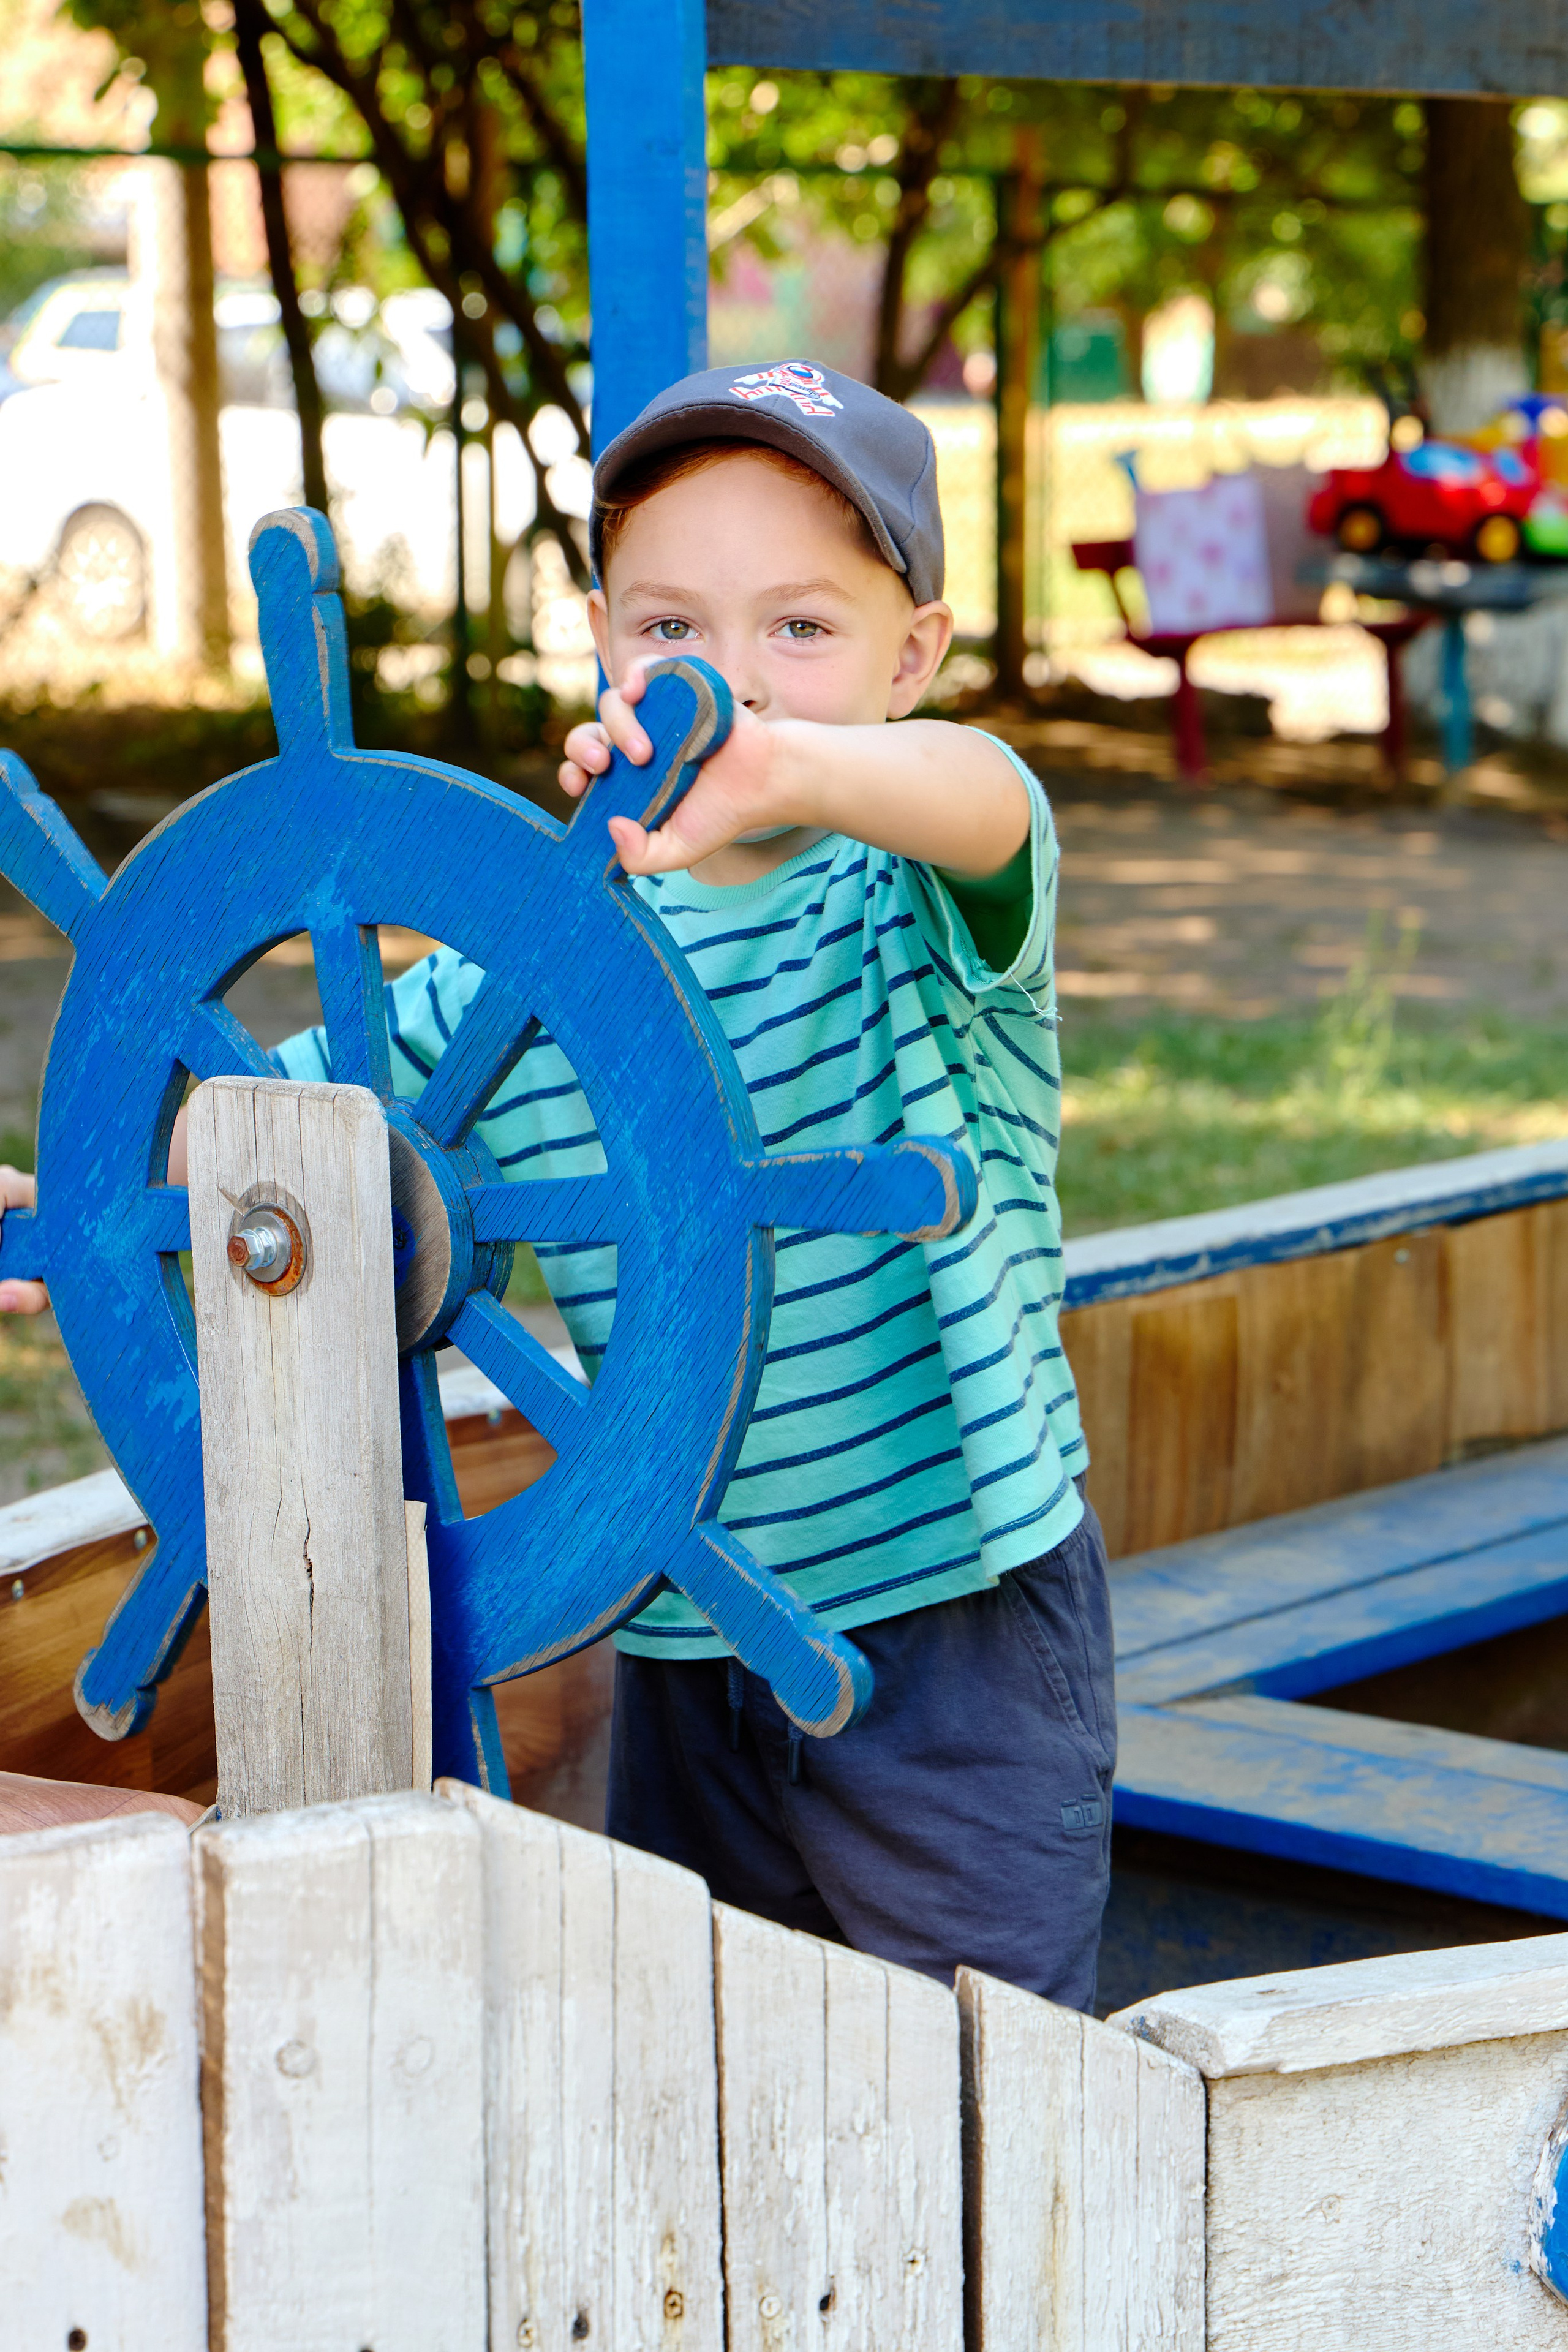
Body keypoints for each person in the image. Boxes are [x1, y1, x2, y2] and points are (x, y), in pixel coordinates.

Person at [0, 358, 1114, 2008]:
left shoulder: (917, 918)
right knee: (704, 2080)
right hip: (670, 1629)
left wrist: (788, 769)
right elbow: (264, 1146)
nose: (725, 680)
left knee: (1000, 2097)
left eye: (799, 630)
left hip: (951, 1640)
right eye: (674, 632)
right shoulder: (518, 981)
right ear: (602, 643)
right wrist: (68, 1208)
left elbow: (992, 803)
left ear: (917, 655)